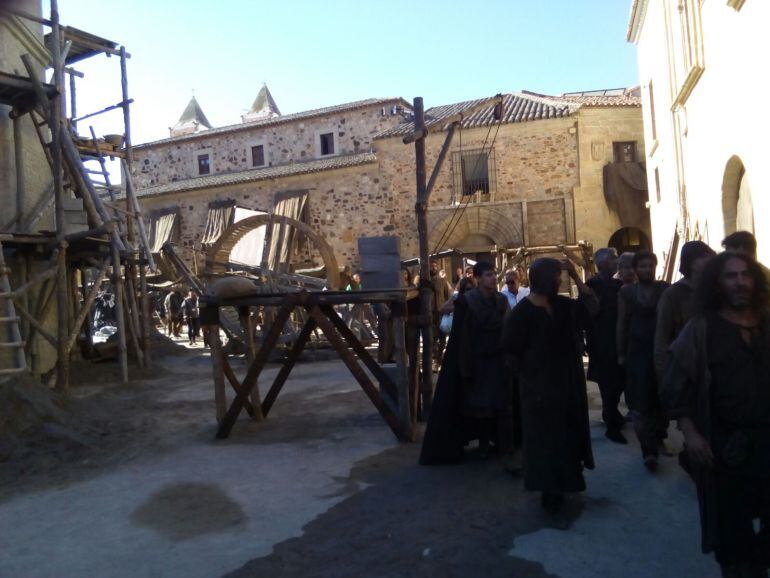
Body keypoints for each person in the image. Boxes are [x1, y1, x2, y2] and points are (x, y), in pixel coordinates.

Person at [661, 252, 770, 577]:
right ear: (716, 285)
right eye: (730, 276)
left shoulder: (767, 325)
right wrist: (690, 432)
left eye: (745, 275)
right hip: (725, 450)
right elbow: (674, 387)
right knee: (735, 549)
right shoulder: (701, 330)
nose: (739, 282)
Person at [502, 257, 598, 516]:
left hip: (567, 384)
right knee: (545, 441)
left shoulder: (565, 306)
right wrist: (529, 381)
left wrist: (578, 278)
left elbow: (592, 311)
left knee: (567, 436)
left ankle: (568, 482)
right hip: (539, 389)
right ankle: (549, 491)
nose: (559, 280)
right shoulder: (522, 313)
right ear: (543, 278)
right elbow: (510, 351)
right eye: (556, 276)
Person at [420, 262, 511, 464]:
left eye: (494, 274)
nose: (494, 278)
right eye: (488, 275)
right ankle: (484, 444)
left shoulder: (502, 300)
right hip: (478, 361)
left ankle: (504, 445)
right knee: (481, 407)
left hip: (498, 360)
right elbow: (456, 325)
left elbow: (507, 327)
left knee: (501, 404)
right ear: (478, 278)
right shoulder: (468, 301)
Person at [617, 250, 670, 471]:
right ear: (636, 269)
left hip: (661, 352)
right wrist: (620, 352)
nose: (647, 270)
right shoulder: (628, 292)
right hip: (637, 352)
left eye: (651, 266)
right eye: (643, 266)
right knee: (641, 401)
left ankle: (659, 437)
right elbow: (622, 323)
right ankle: (648, 451)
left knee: (662, 398)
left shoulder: (665, 290)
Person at [654, 241, 716, 382]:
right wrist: (664, 375)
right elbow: (662, 338)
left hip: (714, 362)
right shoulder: (673, 294)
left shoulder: (717, 290)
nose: (708, 261)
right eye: (702, 257)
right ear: (691, 261)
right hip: (685, 365)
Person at [586, 247, 627, 444]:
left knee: (619, 381)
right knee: (607, 382)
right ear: (602, 263)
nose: (616, 261)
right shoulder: (592, 284)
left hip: (618, 339)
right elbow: (587, 312)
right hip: (601, 341)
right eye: (613, 259)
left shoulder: (620, 284)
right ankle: (611, 423)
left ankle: (611, 413)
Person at [430, 260, 452, 370]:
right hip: (429, 313)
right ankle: (435, 359)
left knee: (442, 337)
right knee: (432, 337)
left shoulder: (442, 281)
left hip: (441, 312)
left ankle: (439, 358)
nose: (434, 268)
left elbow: (448, 296)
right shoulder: (423, 281)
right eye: (432, 266)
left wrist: (448, 309)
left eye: (435, 266)